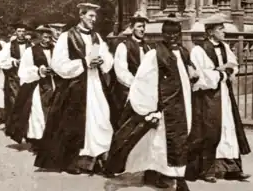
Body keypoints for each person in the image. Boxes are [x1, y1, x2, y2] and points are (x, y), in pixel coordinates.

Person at [105, 13, 199, 191]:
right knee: (160, 141)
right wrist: (150, 109)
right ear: (163, 34)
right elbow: (144, 81)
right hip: (164, 106)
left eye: (176, 34)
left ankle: (169, 174)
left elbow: (188, 73)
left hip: (183, 103)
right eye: (169, 34)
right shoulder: (155, 54)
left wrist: (194, 74)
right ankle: (169, 176)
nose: (173, 38)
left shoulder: (183, 52)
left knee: (177, 138)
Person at [34, 3, 114, 175]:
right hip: (74, 86)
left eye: (95, 16)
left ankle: (95, 159)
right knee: (74, 123)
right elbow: (58, 64)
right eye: (91, 16)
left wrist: (102, 61)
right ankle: (72, 161)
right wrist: (84, 63)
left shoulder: (96, 36)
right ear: (81, 16)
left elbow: (107, 56)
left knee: (100, 118)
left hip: (94, 84)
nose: (94, 19)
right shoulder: (66, 36)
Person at [187, 14, 251, 183]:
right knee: (210, 131)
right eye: (220, 29)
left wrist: (224, 70)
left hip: (224, 93)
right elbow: (200, 76)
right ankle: (207, 170)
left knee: (229, 128)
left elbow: (234, 65)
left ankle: (232, 169)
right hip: (209, 96)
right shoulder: (199, 50)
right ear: (210, 32)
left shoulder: (225, 47)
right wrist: (221, 72)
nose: (224, 32)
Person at [5, 25, 56, 152]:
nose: (47, 38)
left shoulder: (57, 49)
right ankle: (38, 141)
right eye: (44, 35)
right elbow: (23, 70)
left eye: (49, 35)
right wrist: (39, 70)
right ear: (39, 36)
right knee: (38, 113)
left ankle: (52, 141)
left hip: (55, 84)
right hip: (38, 85)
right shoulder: (31, 51)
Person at [110, 11, 151, 131]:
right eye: (139, 26)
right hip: (127, 90)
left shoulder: (148, 47)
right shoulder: (123, 46)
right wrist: (135, 84)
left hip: (145, 90)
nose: (142, 29)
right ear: (132, 28)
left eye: (143, 27)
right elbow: (121, 71)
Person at [0, 22, 32, 128]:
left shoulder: (31, 45)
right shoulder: (9, 45)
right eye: (19, 31)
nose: (21, 33)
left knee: (27, 100)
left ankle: (25, 125)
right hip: (13, 77)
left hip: (27, 77)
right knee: (13, 100)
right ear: (16, 32)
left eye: (23, 31)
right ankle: (13, 125)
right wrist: (13, 61)